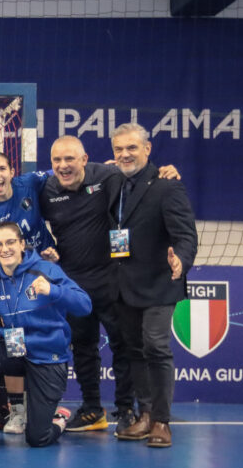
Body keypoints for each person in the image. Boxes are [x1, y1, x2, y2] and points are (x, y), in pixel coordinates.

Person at [40, 136, 182, 433]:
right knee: (83, 348)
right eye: (57, 161)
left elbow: (141, 173)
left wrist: (164, 171)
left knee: (125, 347)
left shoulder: (107, 175)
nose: (63, 166)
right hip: (74, 285)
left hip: (113, 282)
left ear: (84, 159)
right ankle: (92, 409)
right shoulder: (47, 189)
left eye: (70, 159)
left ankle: (127, 410)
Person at [108, 124, 197, 448]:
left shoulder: (167, 185)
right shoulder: (111, 179)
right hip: (123, 285)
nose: (125, 154)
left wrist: (182, 261)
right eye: (119, 149)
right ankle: (144, 415)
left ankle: (161, 421)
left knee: (155, 345)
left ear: (148, 149)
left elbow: (186, 235)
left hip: (161, 283)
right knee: (134, 350)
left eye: (131, 148)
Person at [0, 222, 92, 454]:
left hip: (48, 353)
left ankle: (58, 420)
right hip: (17, 348)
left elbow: (85, 306)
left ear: (22, 244)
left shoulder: (47, 270)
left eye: (11, 242)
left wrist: (53, 291)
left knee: (38, 438)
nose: (5, 249)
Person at [0, 152, 56, 433]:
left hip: (44, 270)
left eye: (2, 169)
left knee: (42, 336)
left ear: (12, 170)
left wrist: (103, 170)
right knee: (13, 338)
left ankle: (46, 405)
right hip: (11, 281)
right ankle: (17, 408)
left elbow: (66, 169)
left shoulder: (29, 183)